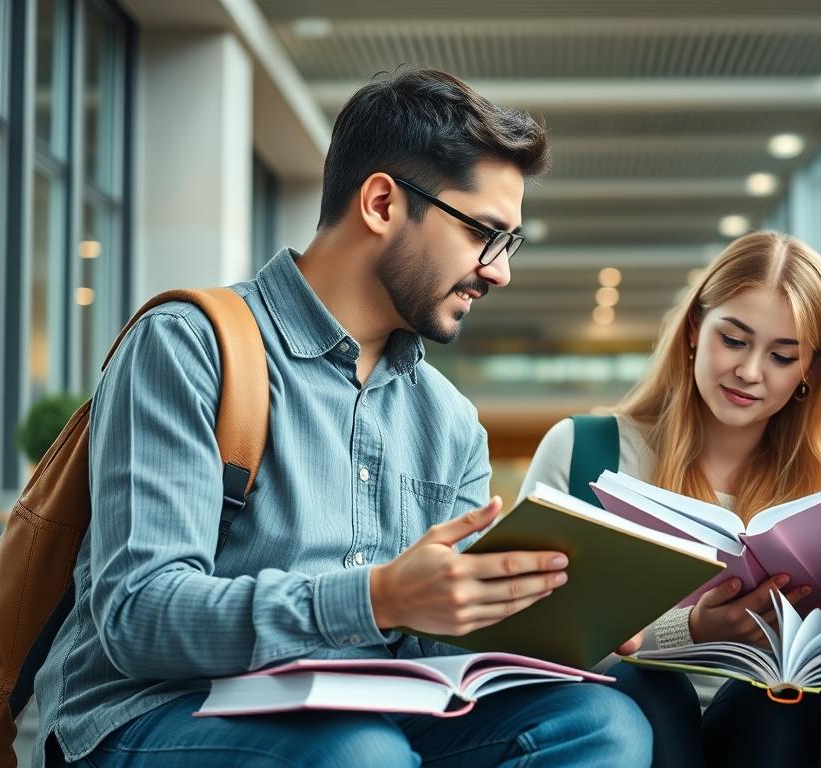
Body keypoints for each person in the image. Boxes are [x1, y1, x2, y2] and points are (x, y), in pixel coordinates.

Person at [32, 68, 650, 768]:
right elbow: (136, 615)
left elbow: (424, 646)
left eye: (510, 244)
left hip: (364, 711)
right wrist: (376, 596)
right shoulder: (188, 344)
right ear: (383, 202)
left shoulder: (449, 422)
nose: (499, 271)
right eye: (485, 233)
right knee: (362, 755)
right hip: (157, 709)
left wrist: (553, 620)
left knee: (603, 724)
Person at [519, 231, 821, 766]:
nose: (750, 372)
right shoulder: (585, 452)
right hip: (631, 728)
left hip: (773, 737)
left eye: (782, 355)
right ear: (692, 331)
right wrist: (692, 632)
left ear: (810, 371)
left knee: (784, 703)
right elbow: (528, 644)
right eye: (733, 340)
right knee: (647, 684)